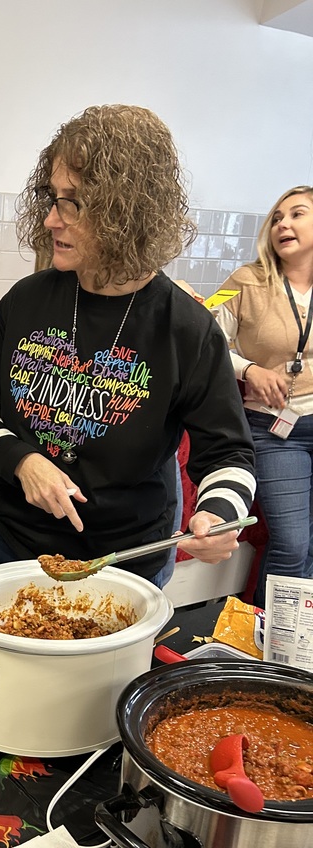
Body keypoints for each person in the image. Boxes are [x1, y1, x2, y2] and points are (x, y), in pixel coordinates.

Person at [0, 104, 256, 588]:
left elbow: (229, 456)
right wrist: (24, 461)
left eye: (70, 202)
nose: (50, 220)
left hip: (130, 561)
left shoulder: (187, 329)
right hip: (16, 547)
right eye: (51, 198)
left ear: (127, 212)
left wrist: (219, 513)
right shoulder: (26, 301)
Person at [213, 185, 313, 607]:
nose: (283, 224)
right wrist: (248, 369)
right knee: (292, 545)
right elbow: (206, 337)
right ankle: (267, 648)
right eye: (277, 217)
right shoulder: (244, 280)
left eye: (297, 214)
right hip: (274, 429)